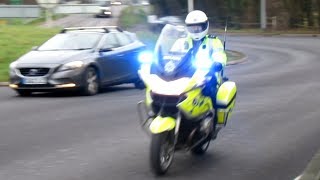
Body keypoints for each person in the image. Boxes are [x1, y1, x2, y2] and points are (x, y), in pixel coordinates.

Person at [184, 10, 227, 106]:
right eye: (192, 27)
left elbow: (219, 54)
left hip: (207, 75)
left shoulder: (213, 41)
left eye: (198, 27)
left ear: (205, 26)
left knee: (210, 92)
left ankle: (213, 116)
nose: (195, 30)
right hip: (185, 75)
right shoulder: (182, 42)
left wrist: (218, 63)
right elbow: (173, 54)